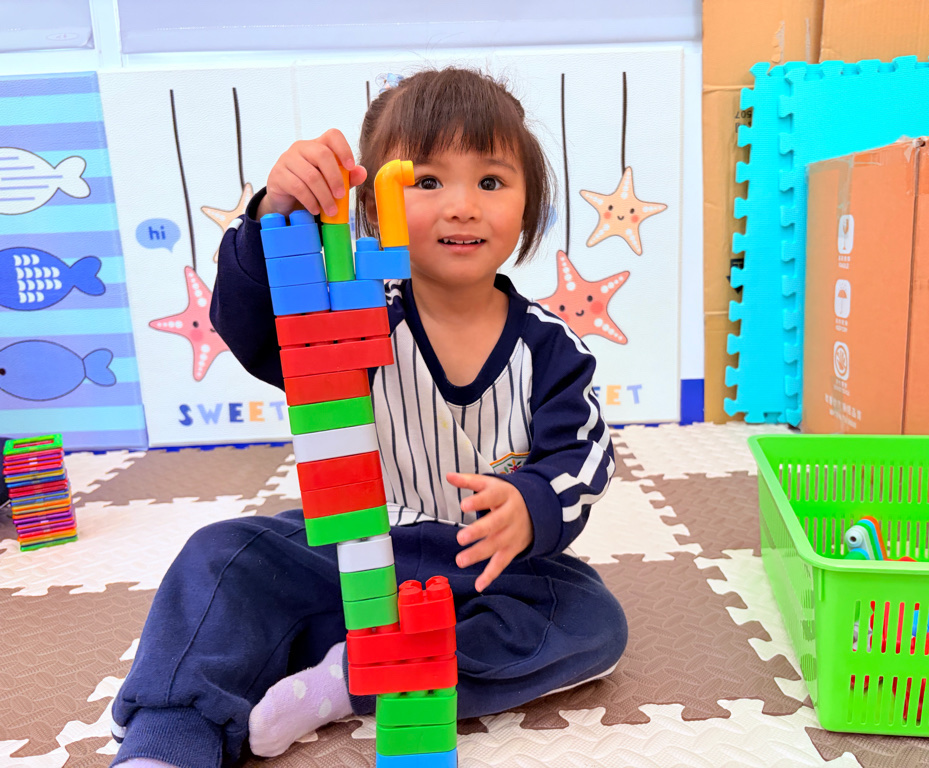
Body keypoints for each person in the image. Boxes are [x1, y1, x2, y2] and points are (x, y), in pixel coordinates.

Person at [110, 67, 628, 768]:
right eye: (428, 181)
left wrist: (532, 506)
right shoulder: (354, 313)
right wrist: (275, 213)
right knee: (220, 555)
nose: (462, 207)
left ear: (529, 203)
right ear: (375, 208)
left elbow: (585, 454)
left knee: (593, 619)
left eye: (490, 181)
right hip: (350, 555)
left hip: (480, 570)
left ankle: (351, 678)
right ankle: (170, 737)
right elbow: (253, 330)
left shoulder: (551, 347)